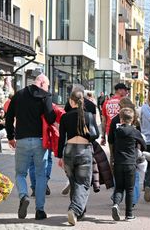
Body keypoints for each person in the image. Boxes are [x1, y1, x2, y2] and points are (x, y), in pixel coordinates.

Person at [5, 74, 56, 220]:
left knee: (20, 173)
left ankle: (23, 196)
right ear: (41, 83)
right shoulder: (45, 97)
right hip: (40, 141)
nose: (48, 88)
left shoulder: (18, 95)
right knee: (41, 175)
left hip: (21, 140)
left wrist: (10, 137)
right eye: (47, 85)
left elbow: (9, 117)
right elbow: (51, 118)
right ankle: (40, 211)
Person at [58, 90, 99, 226]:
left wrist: (59, 156)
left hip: (69, 150)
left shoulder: (65, 117)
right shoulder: (88, 116)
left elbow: (61, 138)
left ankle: (78, 213)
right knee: (83, 183)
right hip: (84, 150)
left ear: (71, 101)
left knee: (74, 182)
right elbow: (95, 135)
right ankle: (74, 210)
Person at [111, 108, 146, 221]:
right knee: (130, 189)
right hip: (130, 163)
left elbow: (111, 141)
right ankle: (129, 214)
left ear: (121, 119)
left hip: (118, 163)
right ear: (133, 119)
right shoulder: (135, 131)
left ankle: (116, 204)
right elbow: (144, 144)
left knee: (119, 188)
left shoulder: (117, 131)